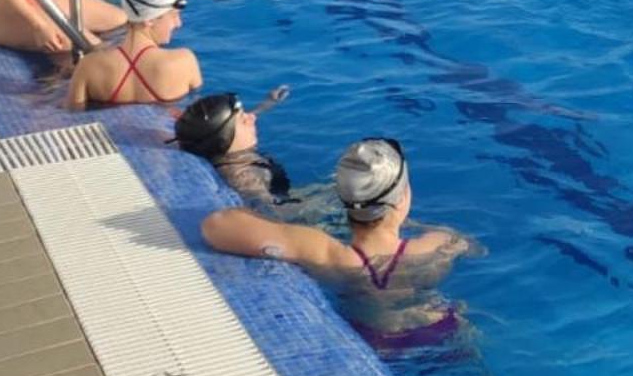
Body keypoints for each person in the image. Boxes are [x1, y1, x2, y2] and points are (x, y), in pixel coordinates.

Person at [201, 138, 475, 352]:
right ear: (403, 199)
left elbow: (216, 226)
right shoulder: (437, 244)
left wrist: (283, 228)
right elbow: (473, 247)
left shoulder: (327, 253)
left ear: (343, 198)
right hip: (439, 329)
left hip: (371, 340)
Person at [67, 0, 201, 110]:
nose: (178, 23)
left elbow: (72, 114)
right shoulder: (183, 61)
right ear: (149, 19)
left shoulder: (88, 66)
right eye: (174, 15)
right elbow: (201, 116)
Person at [173, 92, 293, 206]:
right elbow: (276, 211)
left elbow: (227, 124)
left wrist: (268, 103)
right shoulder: (243, 178)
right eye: (243, 119)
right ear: (223, 139)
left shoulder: (223, 148)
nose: (252, 117)